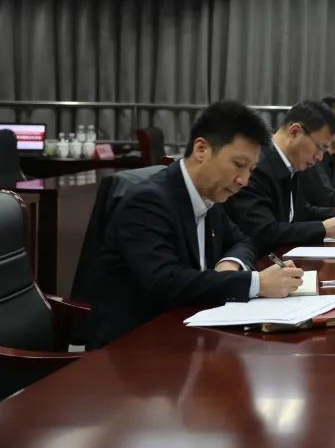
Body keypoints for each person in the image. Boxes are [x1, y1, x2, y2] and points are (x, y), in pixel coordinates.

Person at [89, 101, 304, 348]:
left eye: (251, 170)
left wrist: (229, 264)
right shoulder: (148, 201)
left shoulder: (209, 195)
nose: (243, 180)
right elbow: (164, 281)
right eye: (238, 165)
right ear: (202, 149)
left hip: (190, 333)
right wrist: (257, 284)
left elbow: (242, 240)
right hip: (136, 348)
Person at [225, 100, 335, 253]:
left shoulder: (290, 164)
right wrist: (322, 229)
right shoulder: (257, 164)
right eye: (320, 148)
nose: (320, 158)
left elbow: (302, 212)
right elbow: (262, 232)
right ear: (295, 132)